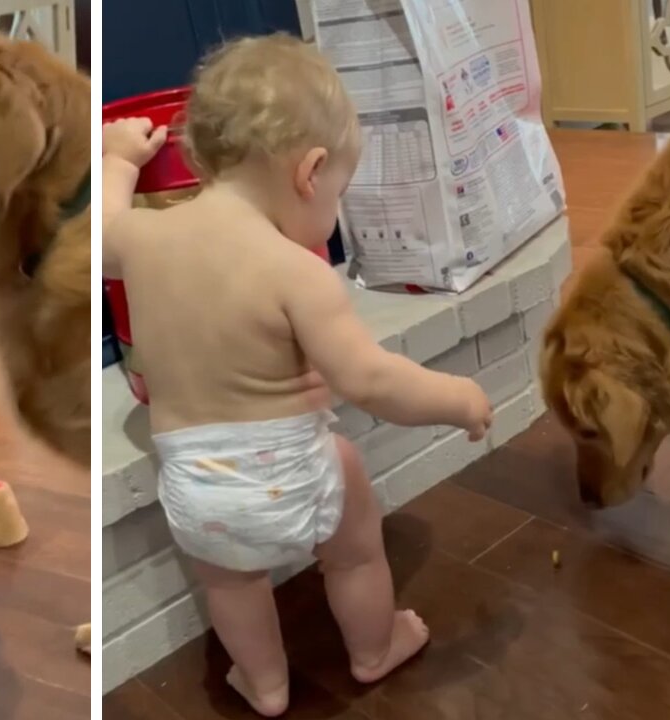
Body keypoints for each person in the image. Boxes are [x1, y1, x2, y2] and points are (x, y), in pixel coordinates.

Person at [102, 35, 494, 717]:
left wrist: (115, 161)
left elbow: (100, 230)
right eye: (338, 190)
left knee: (233, 586)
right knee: (355, 551)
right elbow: (369, 379)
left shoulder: (142, 240)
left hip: (196, 491)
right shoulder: (296, 273)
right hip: (298, 475)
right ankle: (374, 650)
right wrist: (458, 399)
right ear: (311, 172)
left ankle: (265, 684)